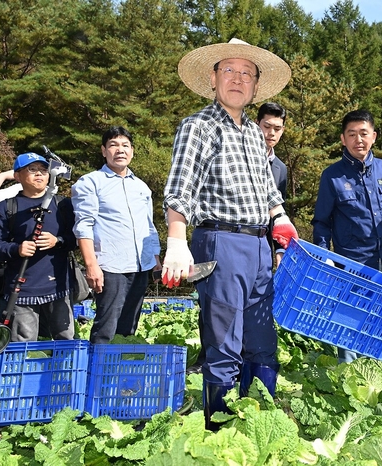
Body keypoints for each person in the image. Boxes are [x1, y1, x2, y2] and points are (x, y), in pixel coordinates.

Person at [161, 38, 296, 430]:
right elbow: (179, 188)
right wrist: (175, 240)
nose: (238, 79)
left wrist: (280, 215)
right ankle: (217, 432)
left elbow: (267, 188)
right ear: (213, 78)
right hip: (221, 242)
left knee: (262, 341)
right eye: (229, 71)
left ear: (255, 85)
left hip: (259, 246)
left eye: (246, 73)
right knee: (224, 344)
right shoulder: (197, 126)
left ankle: (256, 426)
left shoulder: (255, 134)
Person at [312, 109, 382, 375]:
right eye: (352, 134)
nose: (359, 140)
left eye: (364, 133)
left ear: (374, 136)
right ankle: (351, 372)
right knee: (349, 317)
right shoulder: (332, 176)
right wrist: (325, 257)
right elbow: (321, 221)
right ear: (343, 139)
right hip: (354, 261)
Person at [72, 126, 161, 344]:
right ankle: (98, 373)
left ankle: (120, 373)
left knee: (129, 327)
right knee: (106, 327)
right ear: (103, 151)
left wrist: (156, 260)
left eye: (125, 145)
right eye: (113, 145)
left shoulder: (141, 186)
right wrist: (91, 265)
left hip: (141, 265)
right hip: (110, 266)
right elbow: (83, 226)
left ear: (132, 151)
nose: (120, 150)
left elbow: (148, 226)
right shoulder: (90, 182)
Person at [0, 153, 76, 342]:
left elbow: (78, 239)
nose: (39, 174)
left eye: (44, 170)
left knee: (66, 340)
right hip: (22, 289)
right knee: (23, 342)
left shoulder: (63, 204)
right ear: (17, 176)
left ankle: (64, 372)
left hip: (58, 285)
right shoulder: (6, 207)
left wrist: (58, 241)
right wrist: (16, 249)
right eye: (32, 169)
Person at [258, 102, 288, 267]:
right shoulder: (240, 156)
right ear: (257, 124)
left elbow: (278, 213)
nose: (271, 133)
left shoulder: (280, 168)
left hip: (263, 247)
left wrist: (279, 249)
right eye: (267, 126)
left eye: (277, 129)